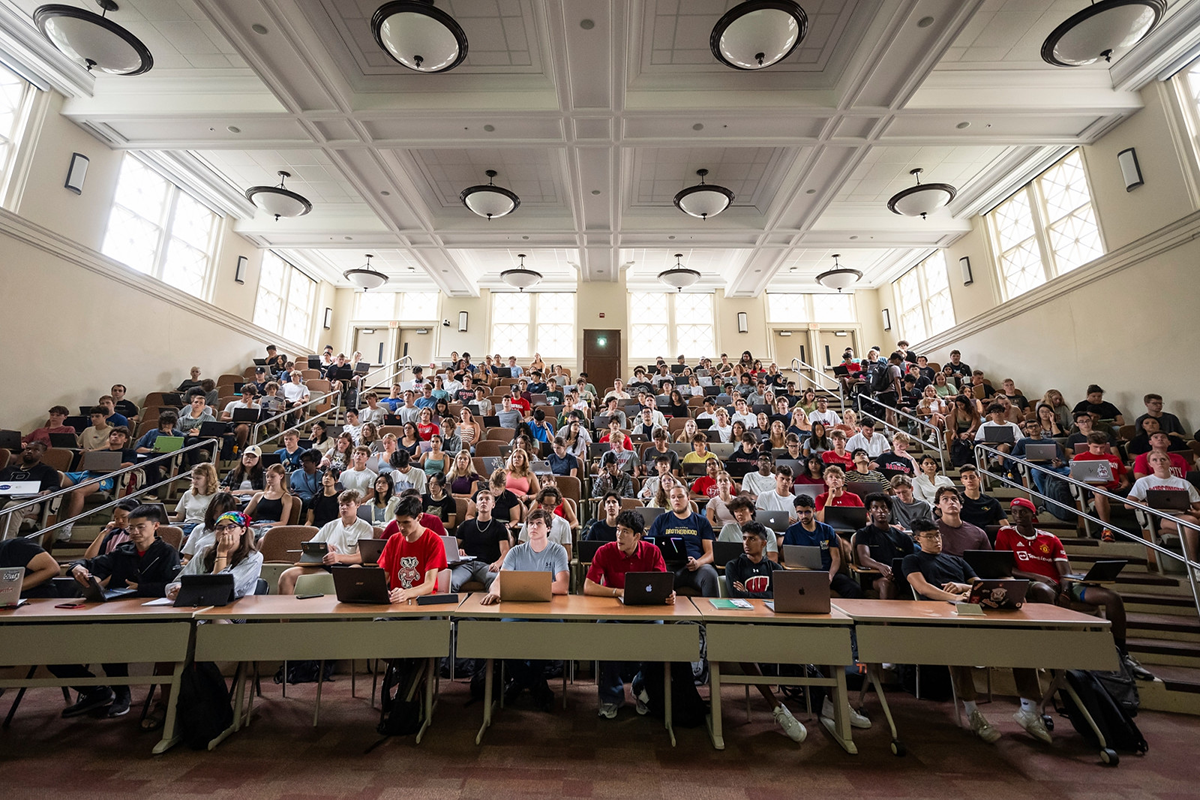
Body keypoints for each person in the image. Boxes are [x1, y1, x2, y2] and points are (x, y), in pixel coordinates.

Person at [997, 498, 1152, 682]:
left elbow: (1065, 572)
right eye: (1014, 512)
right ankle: (1055, 650)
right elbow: (1006, 568)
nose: (1018, 515)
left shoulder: (1050, 538)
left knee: (1112, 597)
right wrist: (1038, 577)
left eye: (1023, 511)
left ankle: (1120, 652)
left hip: (1062, 584)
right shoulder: (1005, 533)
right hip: (1031, 584)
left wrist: (1065, 591)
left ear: (1033, 514)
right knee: (1042, 589)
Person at [58, 505, 181, 719]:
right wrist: (76, 568)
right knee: (104, 637)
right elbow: (89, 563)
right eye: (131, 528)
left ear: (156, 526)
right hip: (119, 612)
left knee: (117, 638)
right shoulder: (123, 552)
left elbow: (172, 586)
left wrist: (140, 588)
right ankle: (120, 693)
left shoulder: (167, 552)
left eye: (140, 527)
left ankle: (133, 696)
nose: (134, 532)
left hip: (154, 615)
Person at [900, 519, 1012, 743]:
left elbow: (981, 586)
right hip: (936, 614)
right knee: (957, 643)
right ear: (917, 539)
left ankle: (1029, 707)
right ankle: (972, 712)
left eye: (937, 535)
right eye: (929, 536)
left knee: (1017, 634)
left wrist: (962, 587)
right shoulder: (912, 559)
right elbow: (923, 588)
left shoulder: (957, 561)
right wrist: (955, 597)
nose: (936, 540)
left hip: (969, 609)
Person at [717, 521, 810, 742]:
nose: (746, 543)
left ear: (764, 542)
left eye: (751, 539)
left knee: (819, 638)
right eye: (744, 538)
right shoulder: (733, 566)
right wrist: (765, 595)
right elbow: (735, 596)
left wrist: (749, 592)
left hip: (773, 623)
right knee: (744, 651)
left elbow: (783, 596)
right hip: (746, 625)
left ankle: (832, 702)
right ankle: (777, 708)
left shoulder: (775, 569)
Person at [582, 509, 679, 719]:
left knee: (658, 635)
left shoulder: (653, 552)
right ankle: (611, 696)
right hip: (613, 611)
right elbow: (588, 587)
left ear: (637, 535)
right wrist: (618, 592)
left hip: (646, 612)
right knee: (605, 632)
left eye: (625, 531)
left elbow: (662, 585)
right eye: (617, 530)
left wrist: (669, 595)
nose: (619, 536)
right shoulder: (605, 551)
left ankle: (641, 687)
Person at [480, 508, 569, 709]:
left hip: (549, 609)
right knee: (505, 633)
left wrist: (524, 587)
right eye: (530, 523)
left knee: (549, 634)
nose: (533, 527)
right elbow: (500, 580)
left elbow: (562, 586)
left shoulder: (557, 551)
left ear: (548, 528)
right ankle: (534, 682)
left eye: (538, 523)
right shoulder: (516, 552)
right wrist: (495, 591)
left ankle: (521, 681)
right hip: (517, 609)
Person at [278, 490, 372, 594]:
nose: (344, 508)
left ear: (357, 505)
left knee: (355, 571)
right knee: (286, 576)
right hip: (325, 566)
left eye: (348, 505)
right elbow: (306, 551)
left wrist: (338, 557)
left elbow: (361, 557)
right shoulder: (330, 526)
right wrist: (323, 549)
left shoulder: (365, 528)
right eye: (341, 505)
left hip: (349, 566)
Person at [58, 427, 137, 544]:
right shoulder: (100, 452)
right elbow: (85, 466)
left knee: (78, 491)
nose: (116, 437)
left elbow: (129, 465)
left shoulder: (128, 452)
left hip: (105, 478)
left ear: (125, 439)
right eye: (114, 434)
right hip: (85, 474)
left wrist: (108, 465)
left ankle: (67, 525)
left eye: (120, 435)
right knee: (56, 476)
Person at [167, 510, 263, 602]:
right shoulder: (205, 552)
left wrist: (222, 553)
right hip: (199, 603)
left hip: (236, 608)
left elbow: (221, 590)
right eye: (220, 528)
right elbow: (178, 581)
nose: (225, 532)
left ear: (242, 530)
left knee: (216, 619)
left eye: (231, 527)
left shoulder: (254, 557)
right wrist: (176, 588)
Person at [1126, 450, 1200, 567]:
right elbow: (1128, 504)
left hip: (1183, 513)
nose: (1159, 462)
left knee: (1191, 523)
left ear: (1169, 462)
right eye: (1155, 460)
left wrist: (1196, 512)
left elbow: (1198, 506)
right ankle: (1194, 565)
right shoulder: (1144, 482)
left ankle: (1192, 563)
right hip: (1161, 517)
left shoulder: (1183, 483)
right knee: (1191, 523)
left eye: (1163, 459)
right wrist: (1145, 504)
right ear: (1150, 464)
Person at [783, 494, 862, 598]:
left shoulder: (827, 530)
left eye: (807, 512)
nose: (803, 516)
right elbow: (789, 558)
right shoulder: (792, 531)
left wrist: (830, 575)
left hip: (827, 573)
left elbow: (836, 557)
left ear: (814, 510)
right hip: (804, 575)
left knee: (854, 588)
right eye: (800, 513)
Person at [647, 485, 719, 596]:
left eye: (680, 496)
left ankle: (711, 612)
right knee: (658, 578)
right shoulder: (661, 520)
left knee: (710, 575)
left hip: (697, 568)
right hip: (669, 567)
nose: (676, 499)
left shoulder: (701, 521)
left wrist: (698, 562)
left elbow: (711, 552)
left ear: (688, 498)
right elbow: (650, 547)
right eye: (673, 497)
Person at [378, 494, 448, 604]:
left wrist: (406, 593)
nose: (401, 527)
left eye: (406, 522)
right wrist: (381, 591)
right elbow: (383, 577)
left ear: (419, 517)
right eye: (398, 522)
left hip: (423, 602)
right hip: (396, 602)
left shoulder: (434, 541)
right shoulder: (393, 540)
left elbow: (429, 584)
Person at [853, 493, 914, 599]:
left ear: (889, 510)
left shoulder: (903, 537)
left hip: (901, 576)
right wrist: (881, 566)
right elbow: (864, 559)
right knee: (886, 584)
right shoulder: (864, 533)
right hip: (876, 576)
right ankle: (887, 615)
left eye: (883, 507)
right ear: (870, 511)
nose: (880, 511)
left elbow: (911, 560)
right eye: (875, 507)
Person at [0, 441, 62, 541]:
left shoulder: (47, 470)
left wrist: (47, 491)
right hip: (5, 498)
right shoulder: (9, 469)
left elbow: (55, 487)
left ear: (42, 454)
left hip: (30, 501)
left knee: (12, 507)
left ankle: (5, 545)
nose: (29, 451)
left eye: (35, 450)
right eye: (28, 449)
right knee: (9, 504)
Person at [1072, 431, 1130, 531]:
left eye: (1102, 447)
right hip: (1094, 489)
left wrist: (1123, 486)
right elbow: (1072, 476)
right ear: (1088, 444)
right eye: (1095, 447)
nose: (1099, 450)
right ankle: (1106, 528)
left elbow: (1125, 480)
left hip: (1115, 489)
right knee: (1101, 490)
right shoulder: (1080, 458)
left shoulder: (1114, 458)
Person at [518, 487, 574, 559]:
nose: (548, 509)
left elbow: (567, 554)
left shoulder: (564, 524)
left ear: (557, 504)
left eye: (552, 506)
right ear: (540, 504)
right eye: (545, 505)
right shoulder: (529, 522)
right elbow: (521, 546)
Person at [244, 464, 295, 531]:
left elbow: (283, 522)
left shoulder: (286, 497)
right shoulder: (258, 495)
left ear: (281, 476)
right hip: (256, 525)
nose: (269, 479)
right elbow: (244, 514)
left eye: (272, 476)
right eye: (267, 476)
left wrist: (263, 525)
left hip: (273, 528)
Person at [172, 461, 218, 536]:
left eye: (198, 478)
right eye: (193, 478)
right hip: (187, 526)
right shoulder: (188, 494)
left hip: (204, 527)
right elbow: (179, 518)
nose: (194, 481)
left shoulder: (217, 496)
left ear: (208, 478)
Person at [957, 465, 1008, 529]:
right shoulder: (957, 501)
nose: (969, 480)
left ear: (979, 479)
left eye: (972, 477)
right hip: (965, 535)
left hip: (988, 536)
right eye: (965, 478)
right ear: (962, 481)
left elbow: (1005, 525)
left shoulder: (992, 502)